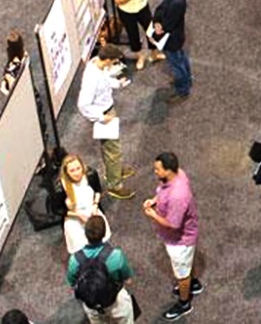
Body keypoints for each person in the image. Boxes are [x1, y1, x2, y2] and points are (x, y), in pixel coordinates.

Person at [142, 152, 200, 320]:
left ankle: (184, 301)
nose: (155, 172)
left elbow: (174, 224)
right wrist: (155, 200)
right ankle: (192, 283)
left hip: (180, 241)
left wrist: (152, 214)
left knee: (181, 274)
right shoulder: (179, 174)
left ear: (168, 170)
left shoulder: (177, 195)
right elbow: (162, 191)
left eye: (157, 169)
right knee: (187, 265)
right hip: (183, 237)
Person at [77, 45, 136, 200]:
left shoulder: (97, 64)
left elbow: (105, 81)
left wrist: (117, 84)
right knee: (112, 149)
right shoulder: (92, 78)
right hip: (103, 115)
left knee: (110, 147)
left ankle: (114, 171)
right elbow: (83, 105)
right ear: (108, 59)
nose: (114, 64)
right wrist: (102, 117)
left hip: (107, 110)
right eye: (114, 62)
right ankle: (114, 184)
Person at [66, 215, 135, 324]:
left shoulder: (75, 259)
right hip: (115, 301)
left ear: (85, 234)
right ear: (104, 234)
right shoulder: (115, 256)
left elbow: (72, 283)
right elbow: (128, 280)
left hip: (92, 304)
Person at [152, 0, 191, 104]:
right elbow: (162, 8)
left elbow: (169, 24)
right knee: (181, 59)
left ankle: (183, 90)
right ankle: (187, 79)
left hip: (172, 39)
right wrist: (157, 20)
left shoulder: (177, 2)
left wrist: (159, 27)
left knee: (176, 64)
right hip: (175, 36)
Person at [59, 154, 109, 255]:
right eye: (72, 170)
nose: (77, 173)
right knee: (82, 251)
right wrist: (78, 216)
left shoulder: (91, 175)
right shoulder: (60, 187)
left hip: (93, 213)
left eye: (78, 168)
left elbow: (98, 191)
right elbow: (59, 210)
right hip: (74, 219)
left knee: (100, 245)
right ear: (66, 172)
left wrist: (95, 205)